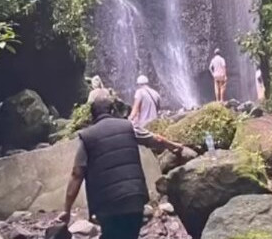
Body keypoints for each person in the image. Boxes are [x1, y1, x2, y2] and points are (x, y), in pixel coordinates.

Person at [60, 97, 185, 239]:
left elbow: (77, 174)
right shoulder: (128, 126)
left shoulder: (88, 137)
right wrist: (174, 146)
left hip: (107, 204)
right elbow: (154, 139)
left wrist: (67, 210)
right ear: (113, 111)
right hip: (134, 197)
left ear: (92, 115)